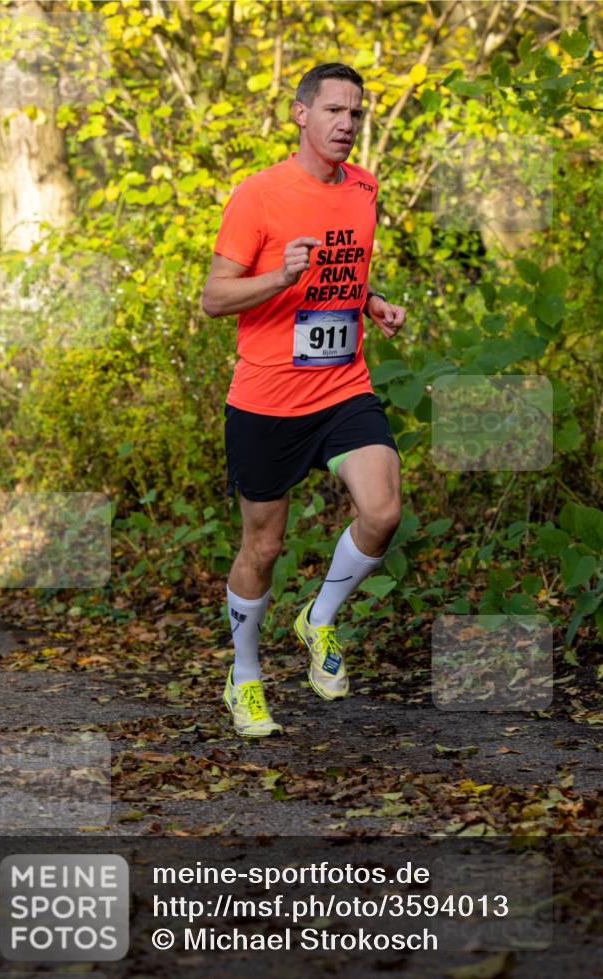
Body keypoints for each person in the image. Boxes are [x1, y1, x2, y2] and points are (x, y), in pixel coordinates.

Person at [202, 63, 406, 738]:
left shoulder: (363, 188)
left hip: (342, 384)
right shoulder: (257, 196)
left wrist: (370, 301)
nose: (346, 124)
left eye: (355, 114)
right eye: (333, 111)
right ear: (300, 115)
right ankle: (246, 674)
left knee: (381, 510)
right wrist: (276, 276)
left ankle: (316, 620)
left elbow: (344, 268)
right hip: (266, 398)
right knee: (262, 546)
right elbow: (213, 298)